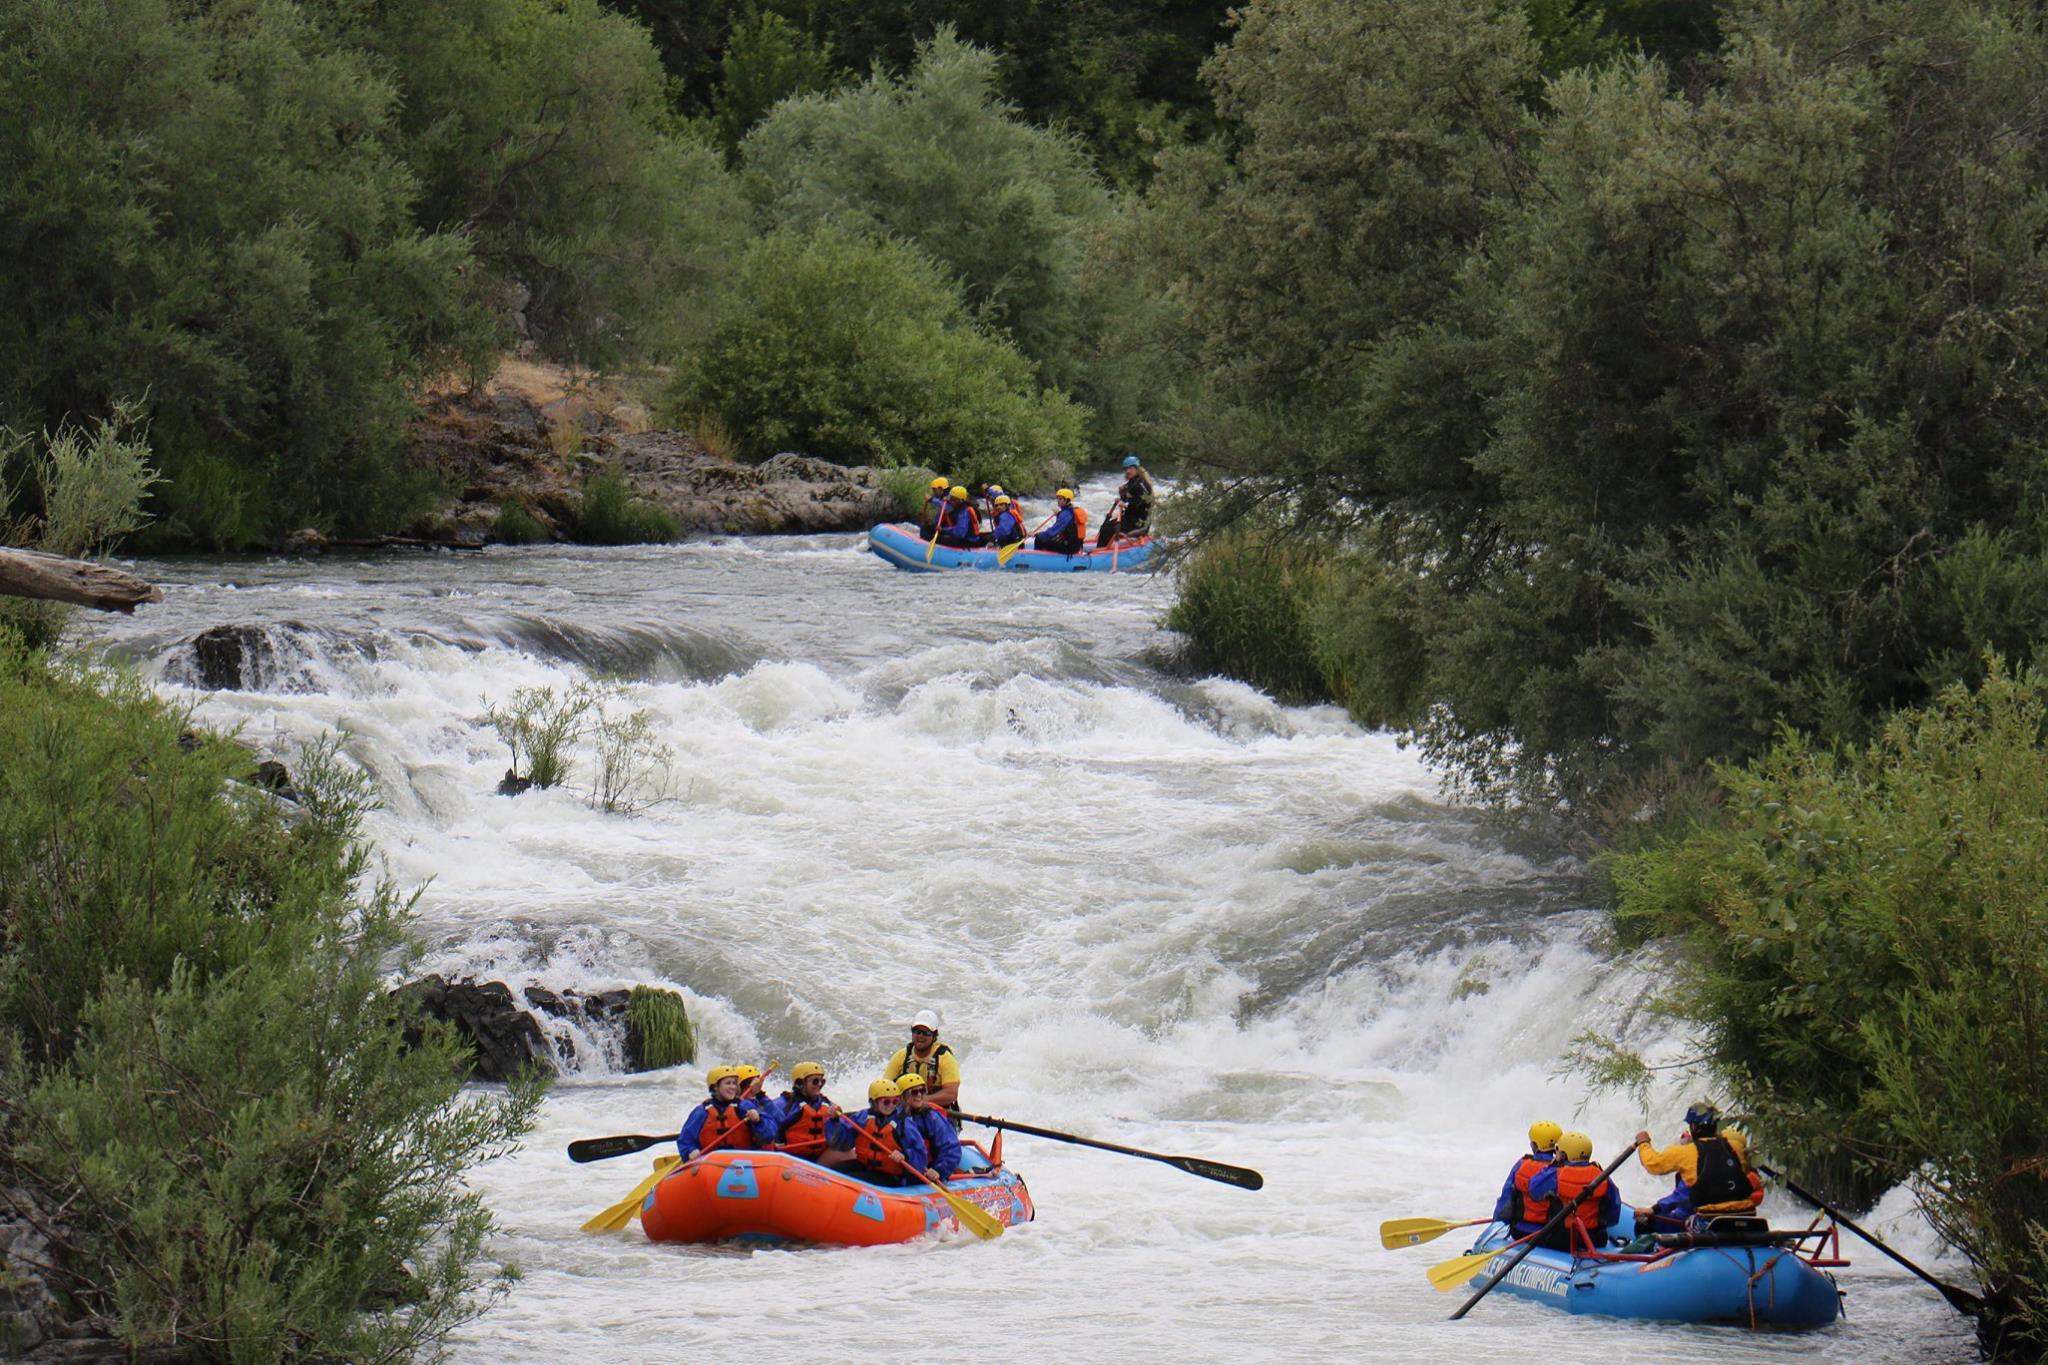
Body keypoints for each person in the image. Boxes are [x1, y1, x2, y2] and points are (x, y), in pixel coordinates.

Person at [1633, 1101, 1764, 1233]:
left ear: (1694, 1127)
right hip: (1747, 1216)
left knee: (1644, 1225)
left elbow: (1653, 1164)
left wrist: (1644, 1143)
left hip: (1710, 1221)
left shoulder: (1685, 1152)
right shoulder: (1737, 1147)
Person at [1526, 1130, 1621, 1252]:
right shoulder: (1602, 1176)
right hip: (1595, 1239)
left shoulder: (1556, 1174)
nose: (1556, 1153)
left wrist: (1553, 1165)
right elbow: (1613, 1215)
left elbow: (1534, 1190)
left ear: (1564, 1154)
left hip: (1562, 1239)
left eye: (1558, 1150)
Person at [824, 1078, 928, 1185]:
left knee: (849, 1180)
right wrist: (835, 1120)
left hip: (890, 1175)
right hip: (866, 1165)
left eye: (895, 1101)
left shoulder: (904, 1124)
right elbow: (841, 1143)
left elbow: (921, 1155)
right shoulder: (862, 1117)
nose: (891, 1105)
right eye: (886, 1102)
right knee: (835, 1171)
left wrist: (905, 1156)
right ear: (874, 1102)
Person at [677, 1065, 770, 1159]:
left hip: (743, 1163)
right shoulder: (702, 1112)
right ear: (715, 1087)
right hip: (712, 1164)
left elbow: (770, 1132)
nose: (732, 1087)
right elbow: (685, 1141)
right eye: (728, 1083)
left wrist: (759, 1121)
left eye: (734, 1083)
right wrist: (690, 1151)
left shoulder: (744, 1107)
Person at [1492, 1120, 1563, 1239]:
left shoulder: (1521, 1165)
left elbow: (1506, 1199)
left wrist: (1497, 1221)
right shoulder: (1564, 1170)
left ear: (1534, 1145)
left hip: (1521, 1232)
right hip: (1555, 1235)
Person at [885, 1008, 961, 1112]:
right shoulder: (900, 1056)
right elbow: (886, 1088)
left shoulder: (945, 1058)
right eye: (917, 1031)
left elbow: (951, 1094)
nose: (920, 1036)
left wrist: (920, 1100)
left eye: (926, 1033)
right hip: (906, 1110)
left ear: (935, 1036)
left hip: (937, 1113)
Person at [892, 1073, 962, 1179]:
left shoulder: (932, 1117)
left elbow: (951, 1147)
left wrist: (938, 1170)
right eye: (914, 1092)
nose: (919, 1095)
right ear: (903, 1095)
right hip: (898, 1170)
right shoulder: (892, 1115)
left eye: (922, 1091)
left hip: (928, 1171)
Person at [773, 1062, 835, 1156]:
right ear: (800, 1083)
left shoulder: (827, 1104)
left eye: (822, 1081)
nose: (819, 1084)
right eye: (815, 1081)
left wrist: (836, 1119)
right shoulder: (784, 1104)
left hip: (819, 1158)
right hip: (792, 1158)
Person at [1095, 455, 1155, 546]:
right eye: (1126, 469)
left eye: (1130, 468)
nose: (1128, 471)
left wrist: (1126, 504)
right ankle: (1103, 548)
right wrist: (1122, 496)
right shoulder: (1132, 482)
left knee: (1106, 529)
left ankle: (1100, 552)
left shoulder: (1141, 484)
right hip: (1130, 519)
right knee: (1106, 526)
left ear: (1137, 468)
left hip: (1138, 523)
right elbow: (1129, 498)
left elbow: (1142, 502)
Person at [1033, 489, 1085, 555]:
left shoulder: (1066, 513)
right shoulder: (1068, 511)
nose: (1058, 501)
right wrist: (1058, 514)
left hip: (1069, 547)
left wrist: (1037, 535)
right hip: (1073, 544)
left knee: (1039, 540)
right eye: (1057, 499)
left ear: (1067, 500)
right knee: (1046, 539)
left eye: (1060, 499)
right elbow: (1063, 526)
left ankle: (1038, 559)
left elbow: (1053, 531)